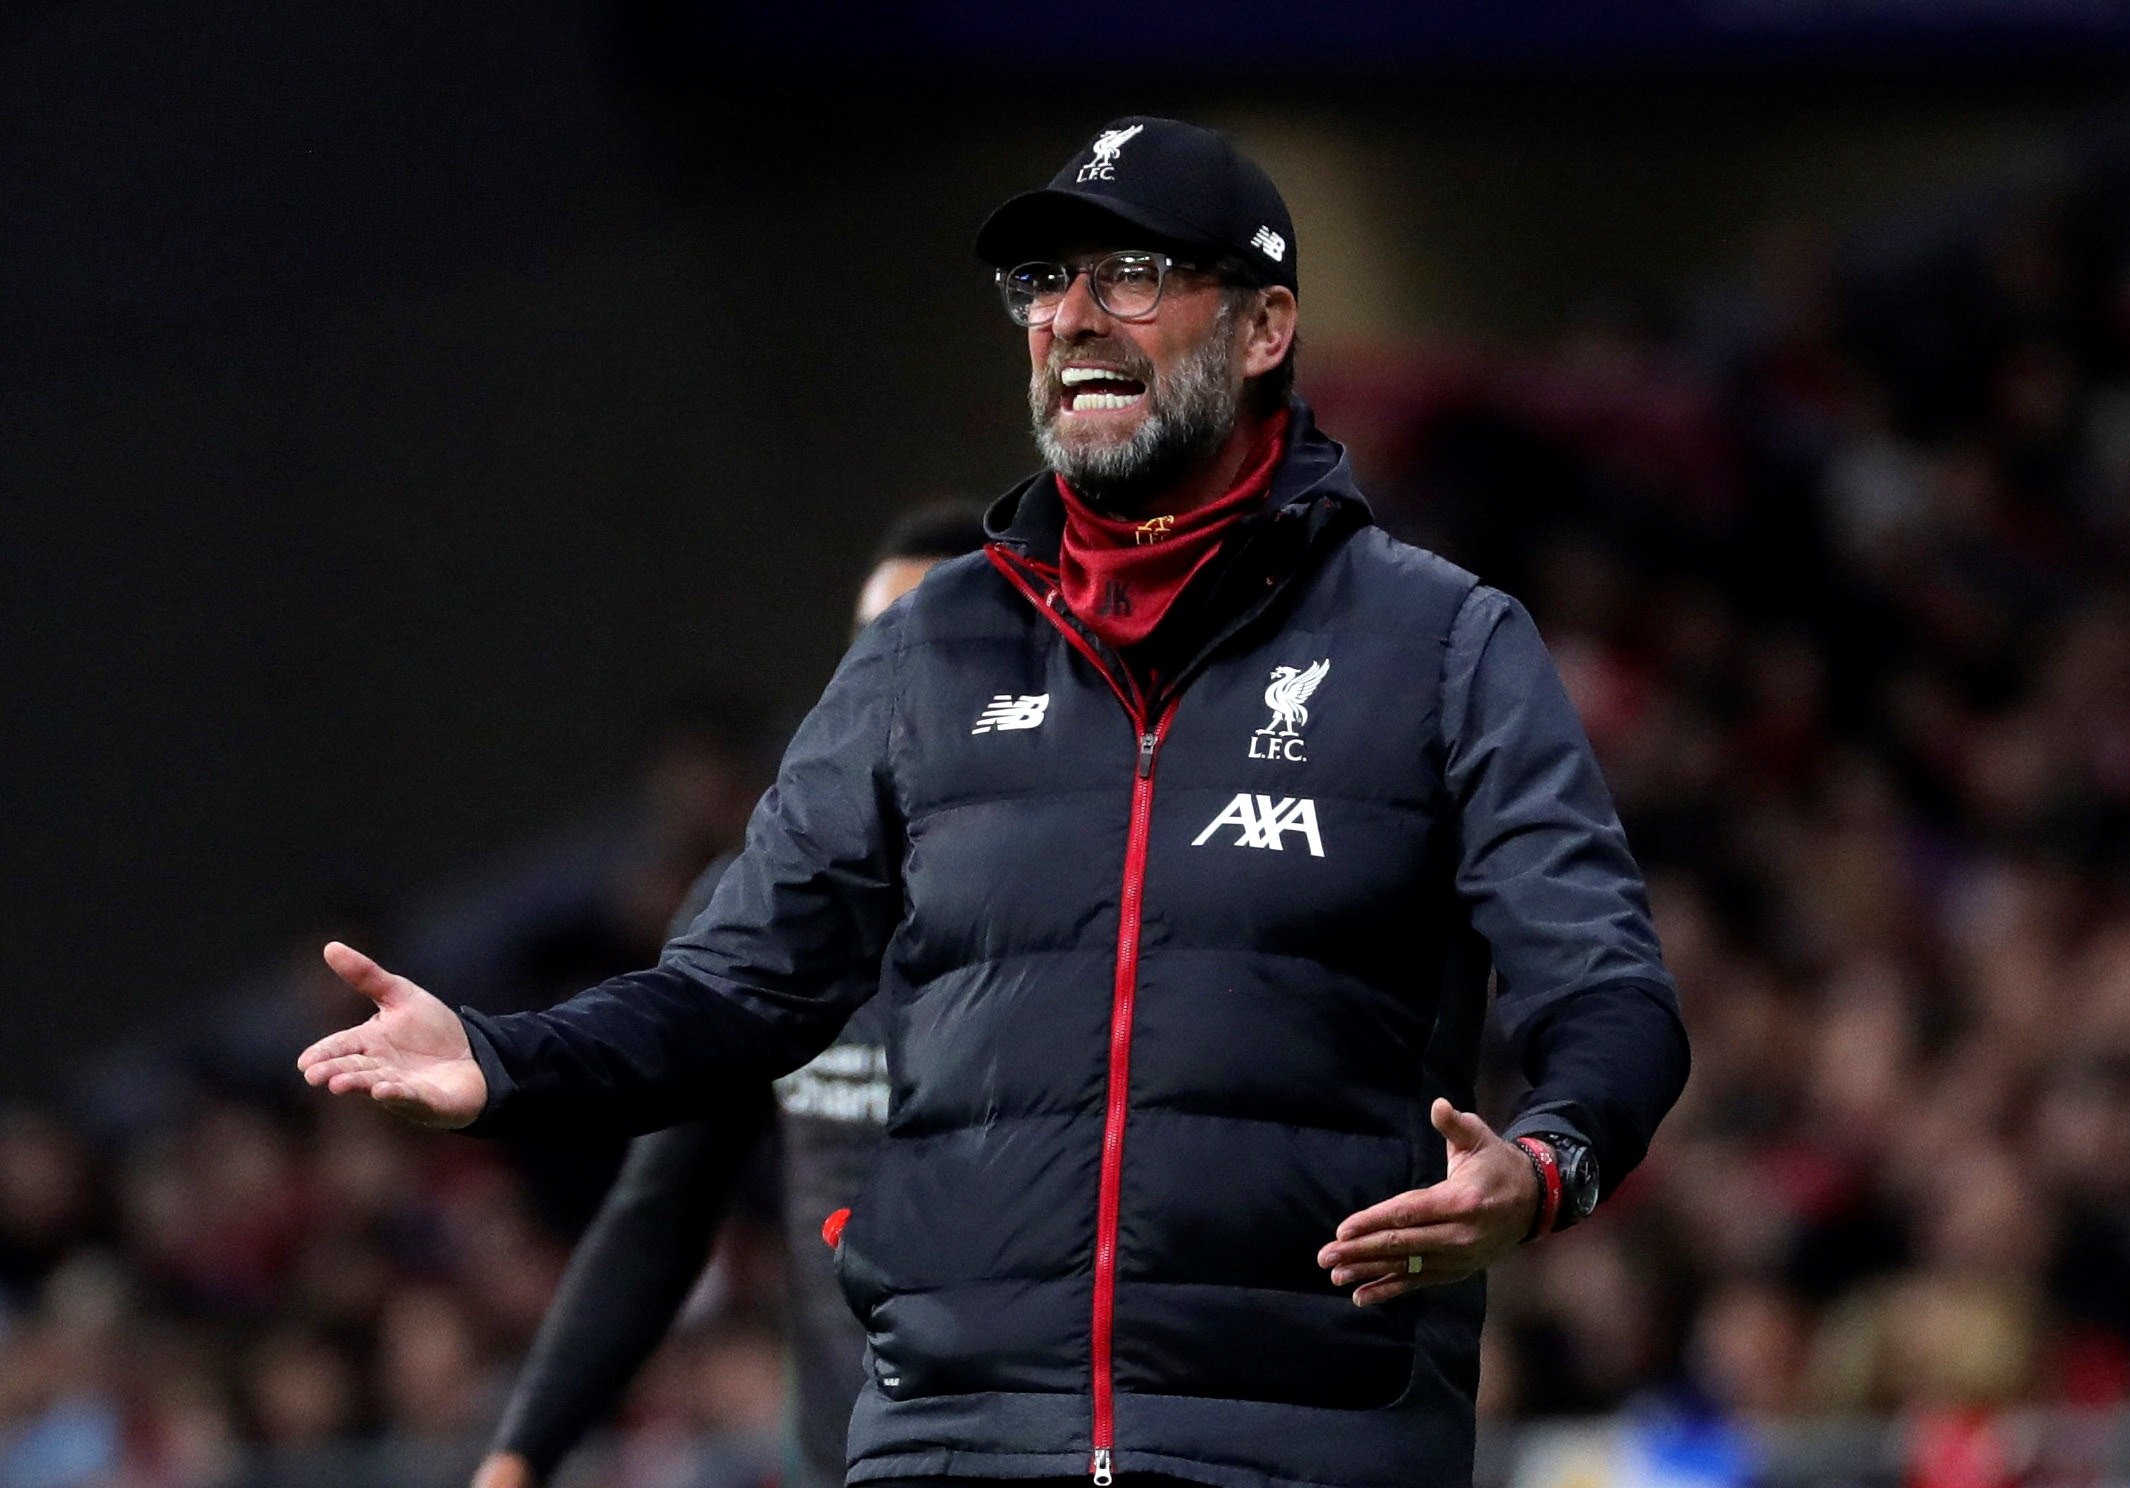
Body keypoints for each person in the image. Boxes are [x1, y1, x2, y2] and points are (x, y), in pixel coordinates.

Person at [301, 116, 1690, 1488]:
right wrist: (503, 1058)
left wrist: (1547, 1165)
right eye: (1044, 284)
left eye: (1131, 279)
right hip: (952, 1445)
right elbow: (736, 989)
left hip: (1298, 1444)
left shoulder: (1442, 645)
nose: (1073, 320)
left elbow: (1611, 992)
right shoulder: (924, 651)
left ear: (1266, 327)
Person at [470, 503, 990, 1488]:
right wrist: (519, 1455)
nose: (899, 684)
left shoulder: (1098, 907)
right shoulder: (769, 913)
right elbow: (663, 1208)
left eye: (940, 650)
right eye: (873, 652)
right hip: (846, 1466)